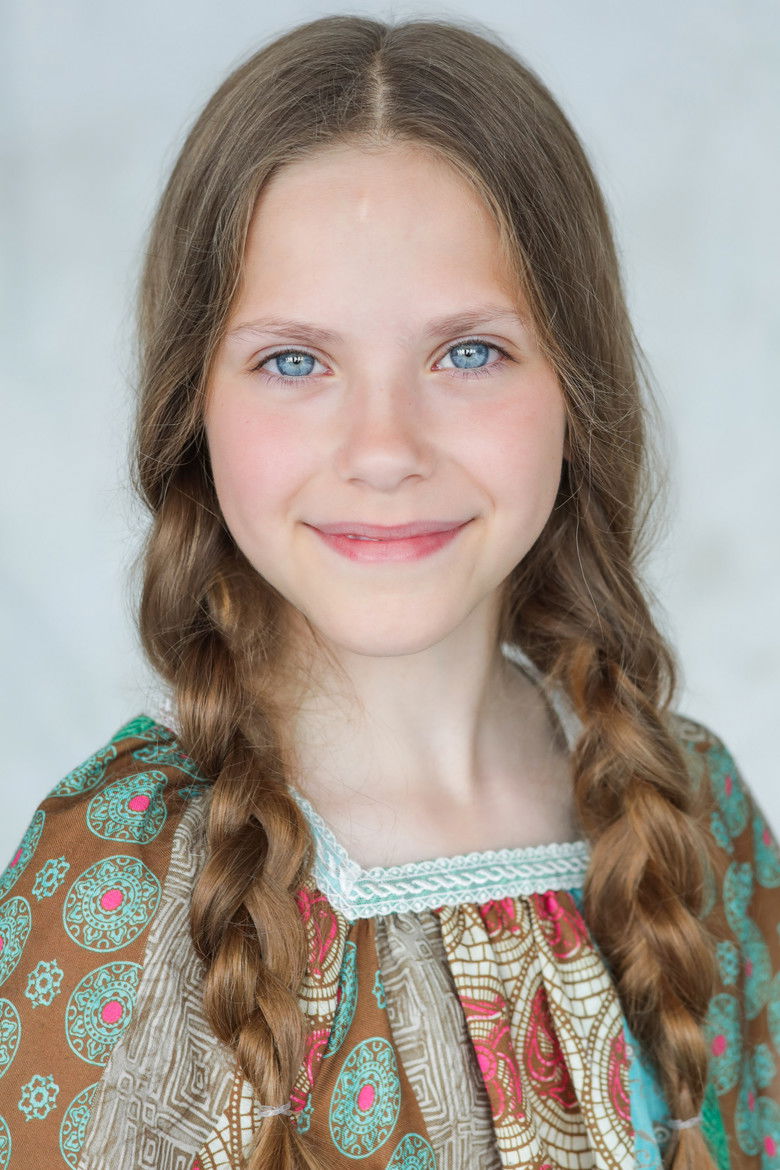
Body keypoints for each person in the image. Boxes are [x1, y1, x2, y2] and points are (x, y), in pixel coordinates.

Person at [0, 13, 776, 1170]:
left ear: (576, 386)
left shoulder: (691, 818)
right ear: (193, 407)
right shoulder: (116, 872)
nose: (383, 449)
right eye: (294, 361)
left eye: (468, 353)